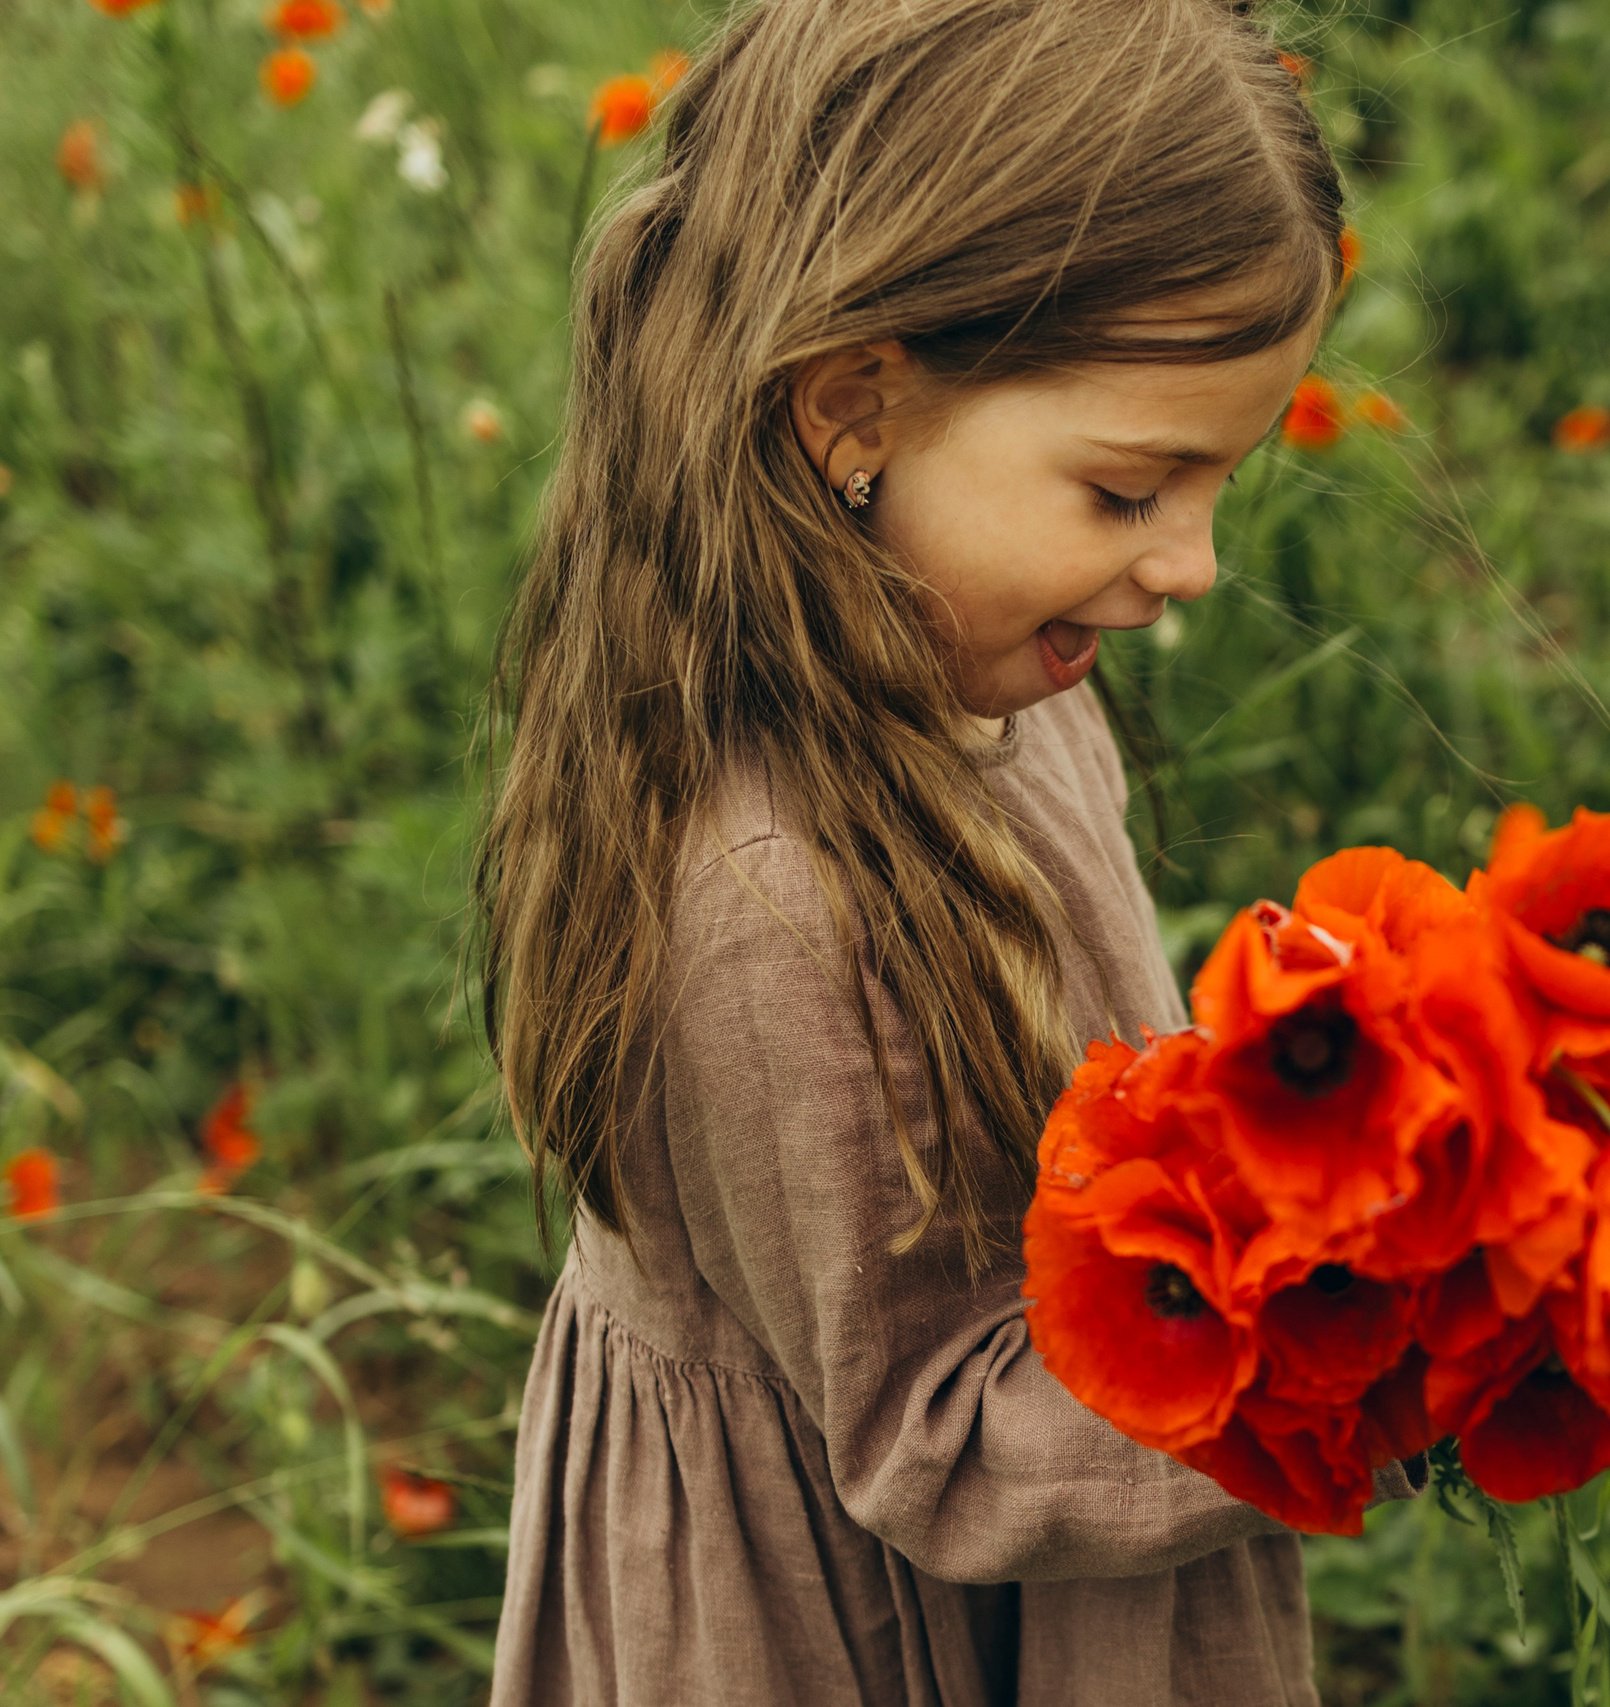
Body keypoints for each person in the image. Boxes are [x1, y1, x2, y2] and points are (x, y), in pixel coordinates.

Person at [475, 2, 1413, 1700]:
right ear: (854, 411)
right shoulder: (765, 890)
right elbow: (936, 1442)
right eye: (1132, 493)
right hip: (853, 1627)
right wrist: (1370, 1369)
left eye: (1219, 487)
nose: (1189, 565)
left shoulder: (1003, 674)